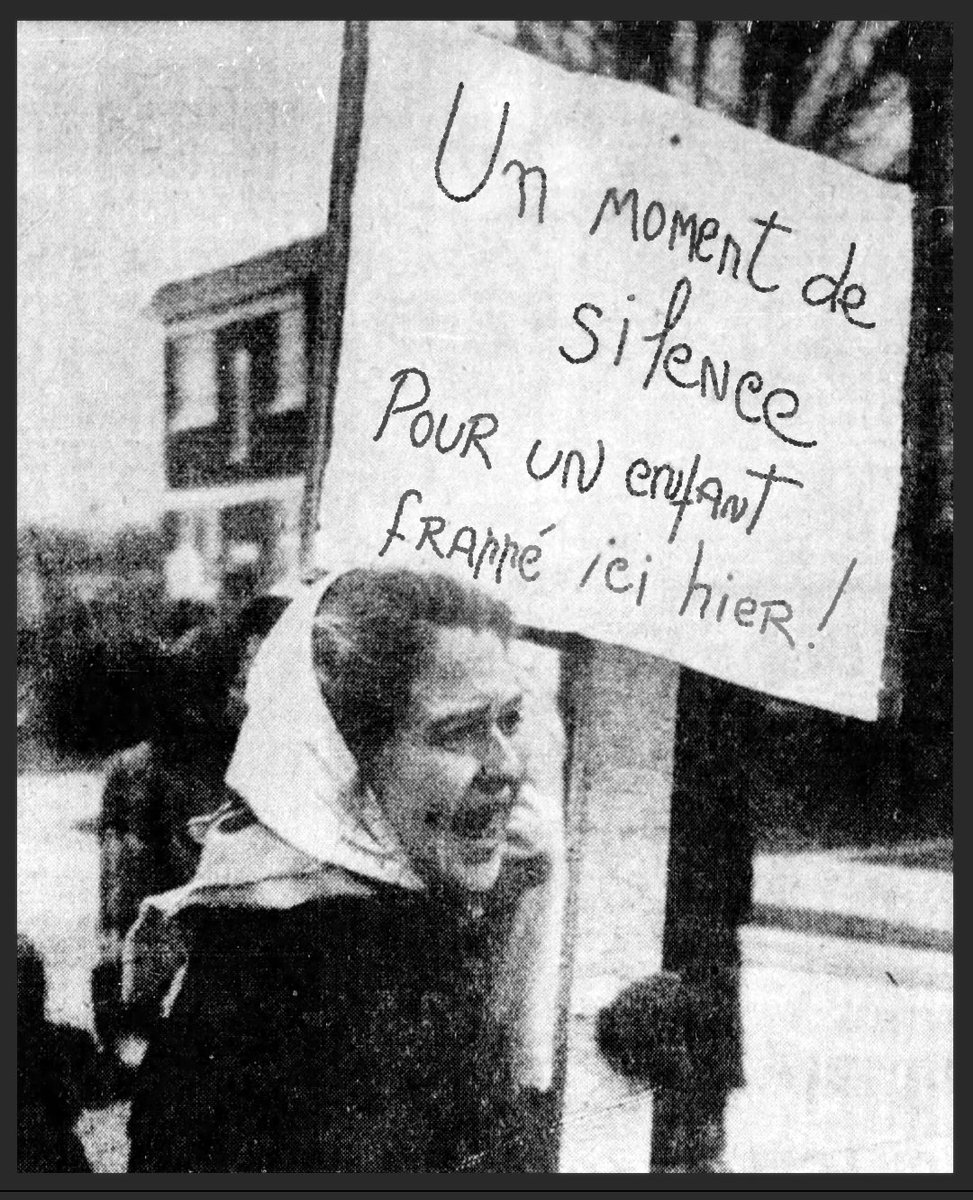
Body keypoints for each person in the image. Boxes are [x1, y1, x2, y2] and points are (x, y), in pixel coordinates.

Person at [126, 568, 566, 1173]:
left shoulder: (285, 926)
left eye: (509, 720)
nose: (507, 765)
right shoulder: (344, 974)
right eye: (458, 732)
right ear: (343, 763)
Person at [92, 594, 291, 1061]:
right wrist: (125, 1025)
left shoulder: (305, 766)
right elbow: (124, 908)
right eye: (248, 678)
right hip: (192, 1017)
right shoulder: (148, 772)